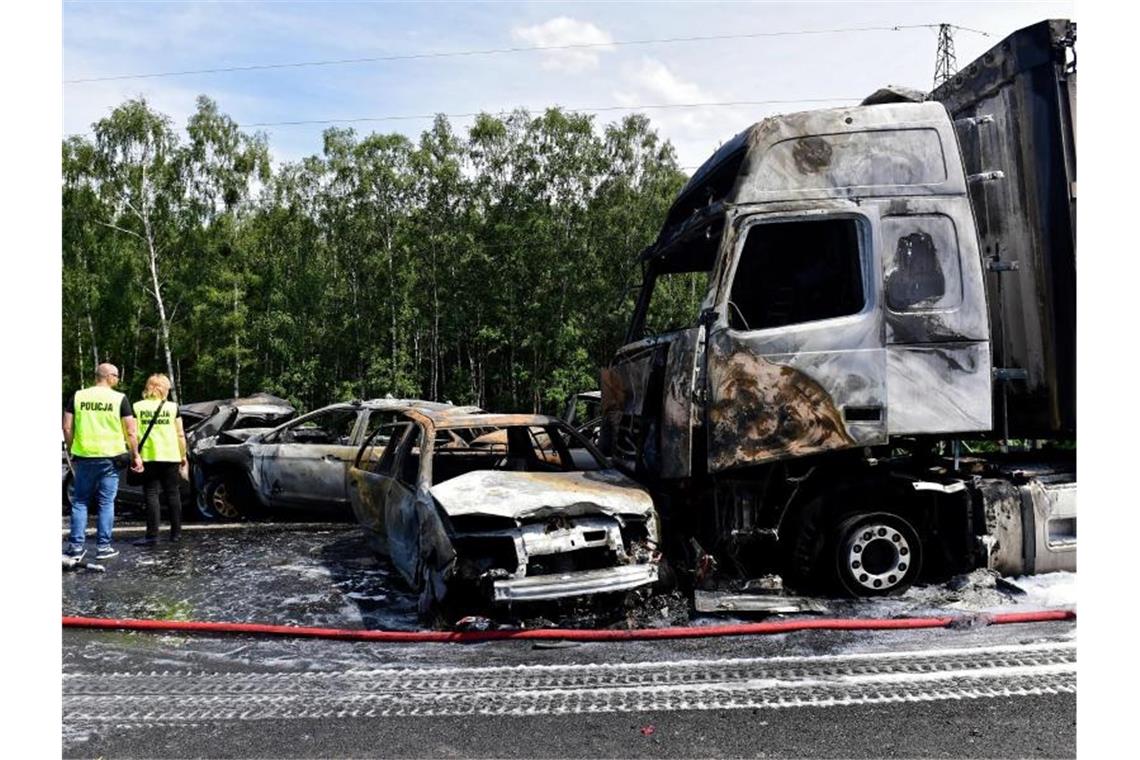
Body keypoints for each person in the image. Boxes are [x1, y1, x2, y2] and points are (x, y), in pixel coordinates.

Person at [63, 363, 143, 560]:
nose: (118, 380)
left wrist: (73, 449)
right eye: (116, 376)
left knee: (80, 502)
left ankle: (75, 547)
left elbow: (66, 427)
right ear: (109, 377)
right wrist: (135, 455)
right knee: (106, 502)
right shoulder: (119, 399)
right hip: (111, 458)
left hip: (84, 456)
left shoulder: (78, 396)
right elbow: (131, 431)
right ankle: (103, 547)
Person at [132, 374, 187, 544]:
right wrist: (183, 455)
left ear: (148, 387)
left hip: (148, 456)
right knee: (172, 493)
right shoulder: (172, 407)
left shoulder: (137, 407)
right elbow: (180, 434)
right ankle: (176, 533)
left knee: (151, 494)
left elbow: (132, 433)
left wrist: (134, 454)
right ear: (165, 389)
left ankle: (152, 535)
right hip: (171, 455)